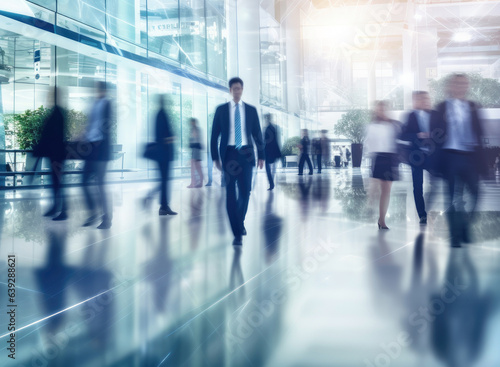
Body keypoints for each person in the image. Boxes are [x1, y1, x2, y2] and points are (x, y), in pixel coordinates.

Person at [431, 73, 486, 247]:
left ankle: (464, 225)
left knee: (476, 193)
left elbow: (480, 133)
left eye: (464, 83)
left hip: (470, 157)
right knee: (453, 198)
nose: (461, 86)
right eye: (457, 83)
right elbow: (434, 135)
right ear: (450, 86)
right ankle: (455, 236)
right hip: (450, 156)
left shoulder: (473, 106)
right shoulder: (441, 108)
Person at [211, 77, 265, 246]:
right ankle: (237, 233)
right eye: (234, 88)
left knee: (245, 191)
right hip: (229, 155)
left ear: (242, 90)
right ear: (230, 90)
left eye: (239, 88)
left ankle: (239, 221)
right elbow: (214, 136)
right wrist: (215, 158)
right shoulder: (221, 110)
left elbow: (257, 134)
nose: (237, 91)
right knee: (230, 195)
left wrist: (262, 155)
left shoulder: (250, 110)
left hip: (247, 154)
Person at [401, 91, 440, 225]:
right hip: (416, 157)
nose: (425, 101)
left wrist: (432, 135)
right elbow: (403, 135)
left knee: (435, 185)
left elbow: (443, 131)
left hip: (432, 155)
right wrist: (418, 135)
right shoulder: (410, 116)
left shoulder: (435, 114)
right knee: (417, 187)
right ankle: (422, 215)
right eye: (421, 99)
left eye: (426, 99)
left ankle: (427, 206)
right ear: (415, 101)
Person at [364, 100, 401, 230]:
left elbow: (398, 141)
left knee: (386, 190)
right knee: (375, 186)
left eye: (384, 108)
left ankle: (382, 220)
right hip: (378, 157)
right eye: (379, 109)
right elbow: (369, 143)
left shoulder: (394, 125)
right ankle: (370, 205)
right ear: (376, 111)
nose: (381, 111)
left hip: (391, 158)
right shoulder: (372, 126)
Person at [81, 81, 113, 229]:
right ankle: (93, 213)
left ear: (103, 90)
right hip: (90, 148)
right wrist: (83, 134)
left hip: (101, 149)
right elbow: (90, 125)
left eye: (98, 88)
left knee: (100, 184)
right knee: (84, 181)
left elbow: (107, 125)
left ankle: (106, 218)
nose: (96, 90)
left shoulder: (107, 104)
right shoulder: (94, 104)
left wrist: (97, 139)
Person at [35, 87, 67, 221]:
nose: (47, 98)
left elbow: (55, 136)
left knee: (58, 182)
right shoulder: (55, 112)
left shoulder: (57, 113)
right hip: (55, 153)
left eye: (50, 96)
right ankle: (56, 207)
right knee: (55, 182)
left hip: (57, 153)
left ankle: (63, 210)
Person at [144, 95, 178, 216]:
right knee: (165, 180)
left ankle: (163, 206)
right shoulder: (162, 114)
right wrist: (172, 138)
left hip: (162, 154)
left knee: (164, 180)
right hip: (164, 154)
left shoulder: (160, 114)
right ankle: (160, 204)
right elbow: (162, 136)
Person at [263, 113, 281, 190]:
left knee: (268, 168)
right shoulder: (273, 128)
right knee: (271, 167)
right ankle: (271, 182)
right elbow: (276, 140)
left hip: (268, 151)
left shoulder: (268, 128)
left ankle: (271, 183)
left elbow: (267, 141)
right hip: (272, 151)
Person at [187, 118, 204, 188]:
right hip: (194, 149)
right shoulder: (192, 130)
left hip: (196, 149)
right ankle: (197, 182)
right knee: (197, 167)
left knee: (195, 167)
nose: (191, 124)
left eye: (192, 122)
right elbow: (191, 140)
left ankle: (194, 183)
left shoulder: (197, 130)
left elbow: (196, 139)